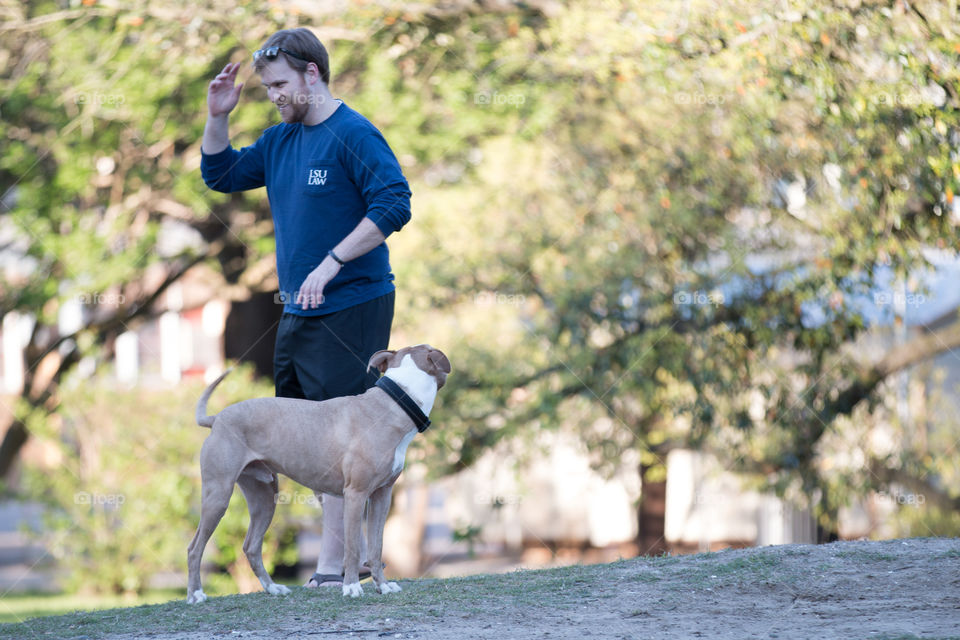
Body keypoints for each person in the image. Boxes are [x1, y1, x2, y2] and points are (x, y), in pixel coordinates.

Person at [200, 27, 412, 588]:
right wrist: (218, 115)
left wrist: (331, 262)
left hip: (353, 305)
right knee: (311, 445)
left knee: (346, 442)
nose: (271, 94)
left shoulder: (354, 134)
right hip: (299, 310)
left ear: (311, 74)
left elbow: (395, 201)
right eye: (266, 85)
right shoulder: (279, 142)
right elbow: (219, 174)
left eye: (279, 84)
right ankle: (340, 565)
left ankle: (334, 570)